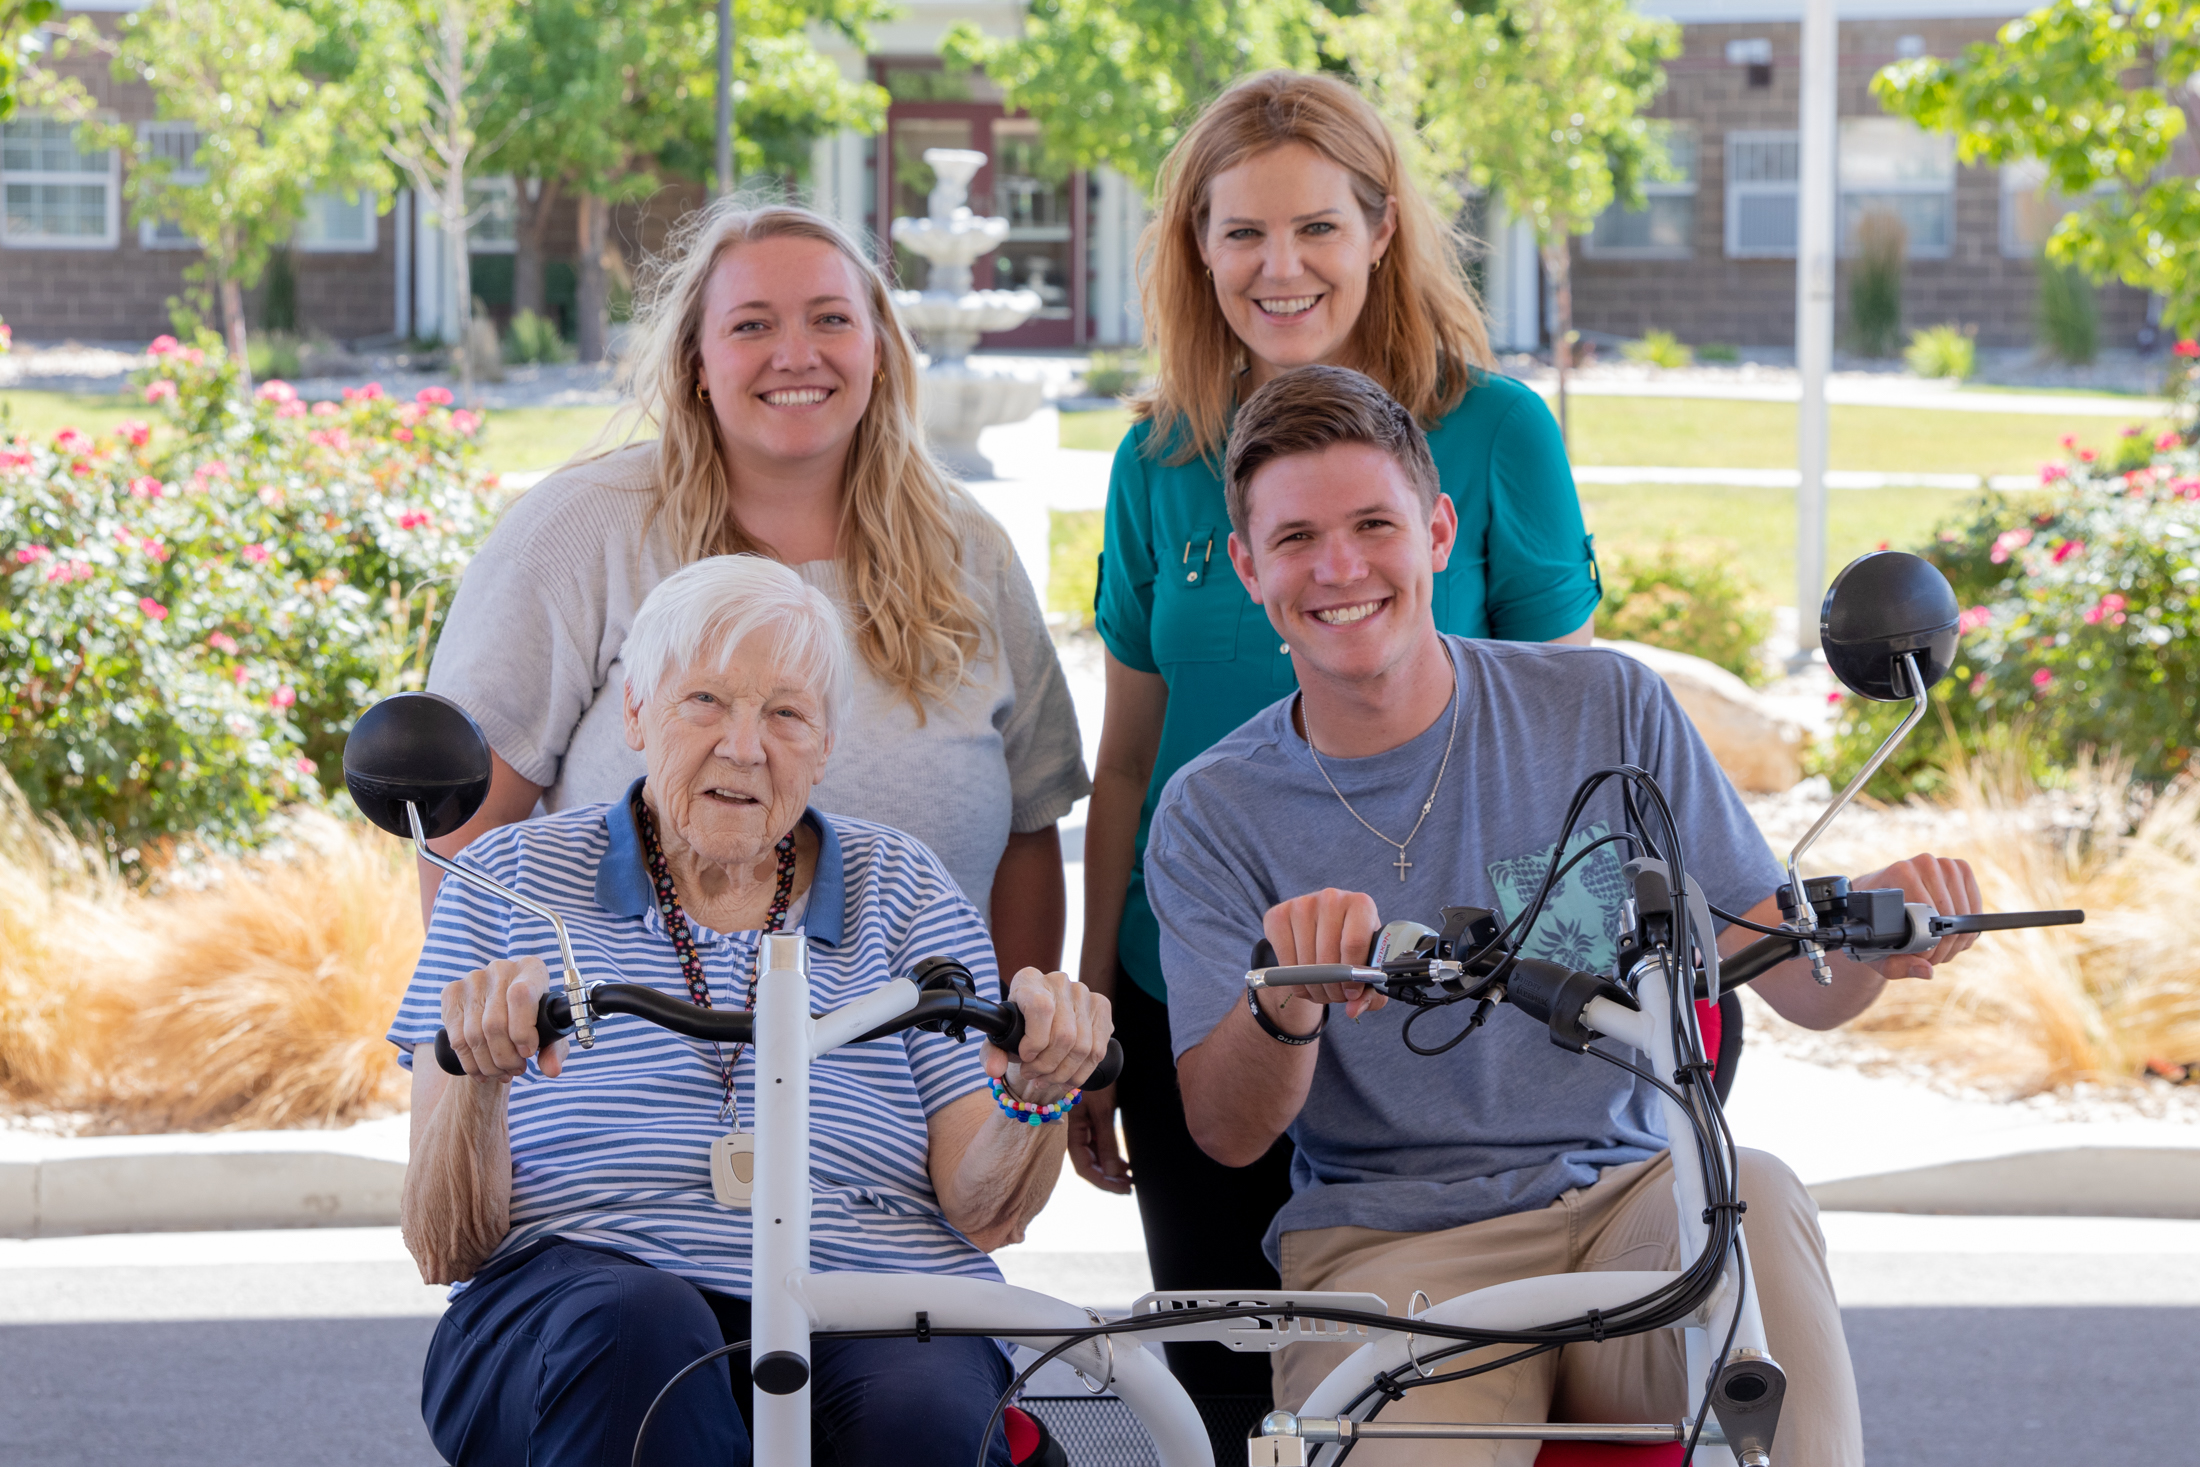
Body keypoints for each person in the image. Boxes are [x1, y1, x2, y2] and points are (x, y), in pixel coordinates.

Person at [1144, 366, 1984, 1465]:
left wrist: (1883, 928)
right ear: (1250, 567)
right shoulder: (1215, 806)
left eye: (1371, 524)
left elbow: (1786, 975)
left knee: (1760, 1190)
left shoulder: (1603, 705)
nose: (1339, 567)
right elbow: (1224, 1130)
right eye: (1297, 538)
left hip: (1627, 1204)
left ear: (1438, 532)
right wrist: (1287, 1013)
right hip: (1392, 1246)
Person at [1070, 68, 1601, 1421]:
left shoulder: (1494, 433)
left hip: (1439, 1022)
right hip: (1202, 1002)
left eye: (1316, 226)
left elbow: (1568, 741)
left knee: (1433, 1405)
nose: (1280, 265)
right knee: (1227, 1398)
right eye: (1240, 231)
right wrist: (1093, 1013)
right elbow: (1126, 761)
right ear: (1195, 248)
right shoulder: (1158, 457)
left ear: (1381, 229)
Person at [389, 555, 1113, 1466]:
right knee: (639, 1332)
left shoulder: (904, 889)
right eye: (704, 701)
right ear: (637, 713)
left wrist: (1039, 1093)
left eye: (786, 713)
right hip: (580, 1300)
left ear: (825, 744)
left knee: (923, 1408)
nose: (743, 745)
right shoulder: (509, 883)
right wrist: (479, 1081)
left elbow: (987, 1214)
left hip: (869, 1294)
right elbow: (442, 1243)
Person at [421, 200, 1088, 983]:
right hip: (629, 1085)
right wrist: (487, 1059)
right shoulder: (584, 531)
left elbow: (1029, 834)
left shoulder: (969, 551)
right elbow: (461, 829)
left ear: (879, 351)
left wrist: (1020, 1074)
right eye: (752, 326)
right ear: (697, 363)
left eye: (831, 319)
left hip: (922, 1089)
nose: (796, 354)